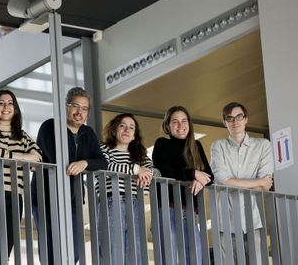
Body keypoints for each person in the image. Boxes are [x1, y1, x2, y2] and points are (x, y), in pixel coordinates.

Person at [31, 87, 107, 264]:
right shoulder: (50, 126)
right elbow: (58, 157)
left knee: (74, 248)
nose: (79, 112)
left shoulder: (87, 133)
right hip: (46, 196)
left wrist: (85, 163)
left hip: (72, 197)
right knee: (51, 246)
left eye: (84, 108)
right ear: (66, 106)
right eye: (75, 106)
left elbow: (102, 161)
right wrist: (81, 160)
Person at [0, 89, 42, 264]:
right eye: (1, 103)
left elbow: (38, 158)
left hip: (14, 196)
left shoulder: (22, 136)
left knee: (3, 254)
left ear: (16, 108)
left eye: (10, 103)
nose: (6, 107)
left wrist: (10, 156)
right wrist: (21, 158)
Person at [211, 102, 273, 265]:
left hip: (253, 221)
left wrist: (231, 183)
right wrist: (258, 181)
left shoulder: (262, 146)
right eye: (230, 118)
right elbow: (222, 180)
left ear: (246, 119)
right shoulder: (218, 147)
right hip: (226, 223)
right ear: (224, 122)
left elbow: (266, 187)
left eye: (239, 117)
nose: (235, 122)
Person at [152, 106, 213, 265]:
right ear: (167, 126)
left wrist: (199, 179)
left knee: (195, 257)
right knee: (170, 257)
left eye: (184, 121)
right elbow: (165, 171)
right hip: (167, 208)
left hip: (189, 210)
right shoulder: (162, 144)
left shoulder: (195, 146)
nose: (180, 126)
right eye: (175, 122)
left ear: (189, 123)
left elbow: (210, 176)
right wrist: (193, 174)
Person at [98, 113, 160, 264]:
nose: (127, 130)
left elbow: (156, 173)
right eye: (122, 126)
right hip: (112, 202)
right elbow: (104, 166)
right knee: (113, 251)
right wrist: (136, 171)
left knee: (136, 253)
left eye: (131, 128)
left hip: (135, 203)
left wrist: (147, 173)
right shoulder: (104, 149)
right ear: (114, 130)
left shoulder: (140, 156)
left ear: (134, 135)